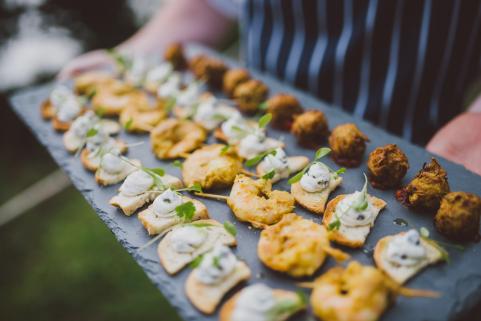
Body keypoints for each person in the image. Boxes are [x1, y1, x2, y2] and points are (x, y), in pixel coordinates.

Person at [59, 0, 481, 176]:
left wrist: (474, 131)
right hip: (248, 131)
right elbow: (208, 4)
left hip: (410, 151)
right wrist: (131, 57)